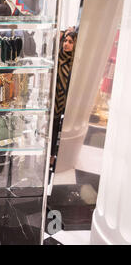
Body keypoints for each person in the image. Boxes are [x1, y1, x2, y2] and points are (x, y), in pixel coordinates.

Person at [50, 31, 78, 169]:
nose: (66, 44)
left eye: (70, 42)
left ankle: (60, 157)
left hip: (67, 102)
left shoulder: (75, 63)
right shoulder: (56, 58)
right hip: (52, 101)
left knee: (63, 130)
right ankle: (50, 155)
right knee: (53, 128)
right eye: (65, 41)